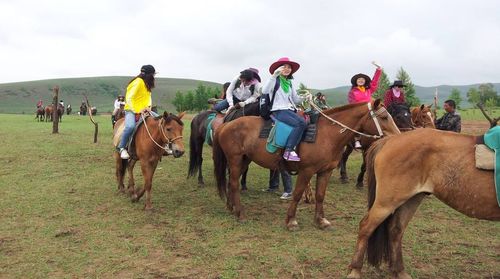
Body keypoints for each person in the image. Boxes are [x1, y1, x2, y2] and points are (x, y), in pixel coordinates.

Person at [263, 57, 312, 161]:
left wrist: (305, 97)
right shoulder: (274, 81)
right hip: (278, 110)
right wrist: (273, 76)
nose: (287, 69)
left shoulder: (289, 83)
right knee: (301, 123)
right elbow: (265, 91)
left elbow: (296, 99)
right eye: (283, 67)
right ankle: (288, 151)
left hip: (289, 110)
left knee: (307, 121)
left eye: (289, 67)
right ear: (278, 69)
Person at [118, 65, 158, 159]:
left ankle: (163, 146)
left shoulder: (146, 84)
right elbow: (129, 98)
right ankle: (122, 148)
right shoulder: (138, 82)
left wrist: (148, 107)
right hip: (131, 110)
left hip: (144, 110)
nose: (154, 77)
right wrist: (137, 110)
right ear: (149, 75)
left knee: (161, 121)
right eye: (153, 75)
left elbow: (148, 98)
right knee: (130, 126)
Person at [347, 61, 383, 148]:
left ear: (364, 81)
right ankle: (357, 140)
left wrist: (379, 70)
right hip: (358, 111)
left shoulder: (368, 90)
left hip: (369, 110)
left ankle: (382, 135)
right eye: (359, 79)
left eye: (362, 79)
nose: (361, 80)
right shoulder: (352, 92)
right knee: (355, 123)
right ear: (356, 81)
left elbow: (374, 82)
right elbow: (351, 102)